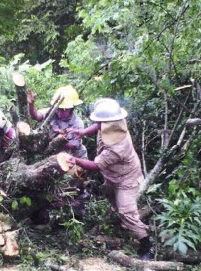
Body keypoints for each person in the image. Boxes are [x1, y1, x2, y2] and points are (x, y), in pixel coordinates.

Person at [67, 98, 155, 260]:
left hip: (126, 179)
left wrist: (76, 160)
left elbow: (95, 165)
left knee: (126, 212)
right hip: (112, 176)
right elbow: (99, 125)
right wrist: (84, 132)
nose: (100, 125)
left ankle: (147, 244)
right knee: (108, 193)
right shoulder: (113, 121)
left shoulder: (117, 148)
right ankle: (121, 220)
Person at [26, 85, 88, 159]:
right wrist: (31, 104)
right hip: (54, 156)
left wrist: (58, 139)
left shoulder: (77, 123)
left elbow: (74, 146)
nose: (60, 112)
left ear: (72, 108)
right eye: (59, 109)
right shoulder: (51, 112)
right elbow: (35, 116)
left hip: (75, 157)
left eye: (64, 110)